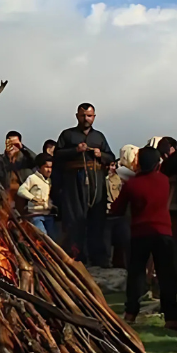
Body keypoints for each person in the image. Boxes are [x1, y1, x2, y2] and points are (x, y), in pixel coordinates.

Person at [110, 147, 177, 330]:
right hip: (163, 233)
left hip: (139, 234)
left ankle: (131, 313)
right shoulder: (164, 181)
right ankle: (171, 318)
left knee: (136, 275)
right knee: (167, 276)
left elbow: (116, 209)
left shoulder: (132, 184)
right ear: (157, 163)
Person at [54, 103, 115, 266]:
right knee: (74, 219)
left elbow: (111, 156)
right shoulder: (67, 135)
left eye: (89, 116)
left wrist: (100, 154)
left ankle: (98, 257)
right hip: (74, 180)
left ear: (94, 117)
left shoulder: (99, 137)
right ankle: (76, 256)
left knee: (97, 218)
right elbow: (57, 155)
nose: (86, 118)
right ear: (77, 116)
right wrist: (75, 150)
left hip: (96, 179)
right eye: (83, 115)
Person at [17, 153, 56, 238]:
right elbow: (21, 190)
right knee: (43, 238)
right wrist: (33, 198)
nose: (49, 170)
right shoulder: (33, 178)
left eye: (50, 167)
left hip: (48, 215)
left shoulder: (50, 180)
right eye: (46, 167)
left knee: (53, 239)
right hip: (36, 215)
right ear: (39, 167)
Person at [105, 161, 130, 269]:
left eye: (113, 165)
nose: (112, 168)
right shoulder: (103, 179)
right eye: (110, 166)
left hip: (119, 212)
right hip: (107, 212)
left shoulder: (120, 178)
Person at [3, 131, 36, 211]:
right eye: (10, 143)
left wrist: (23, 148)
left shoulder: (26, 160)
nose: (13, 147)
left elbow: (37, 161)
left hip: (23, 196)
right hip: (6, 196)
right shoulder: (1, 160)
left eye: (15, 144)